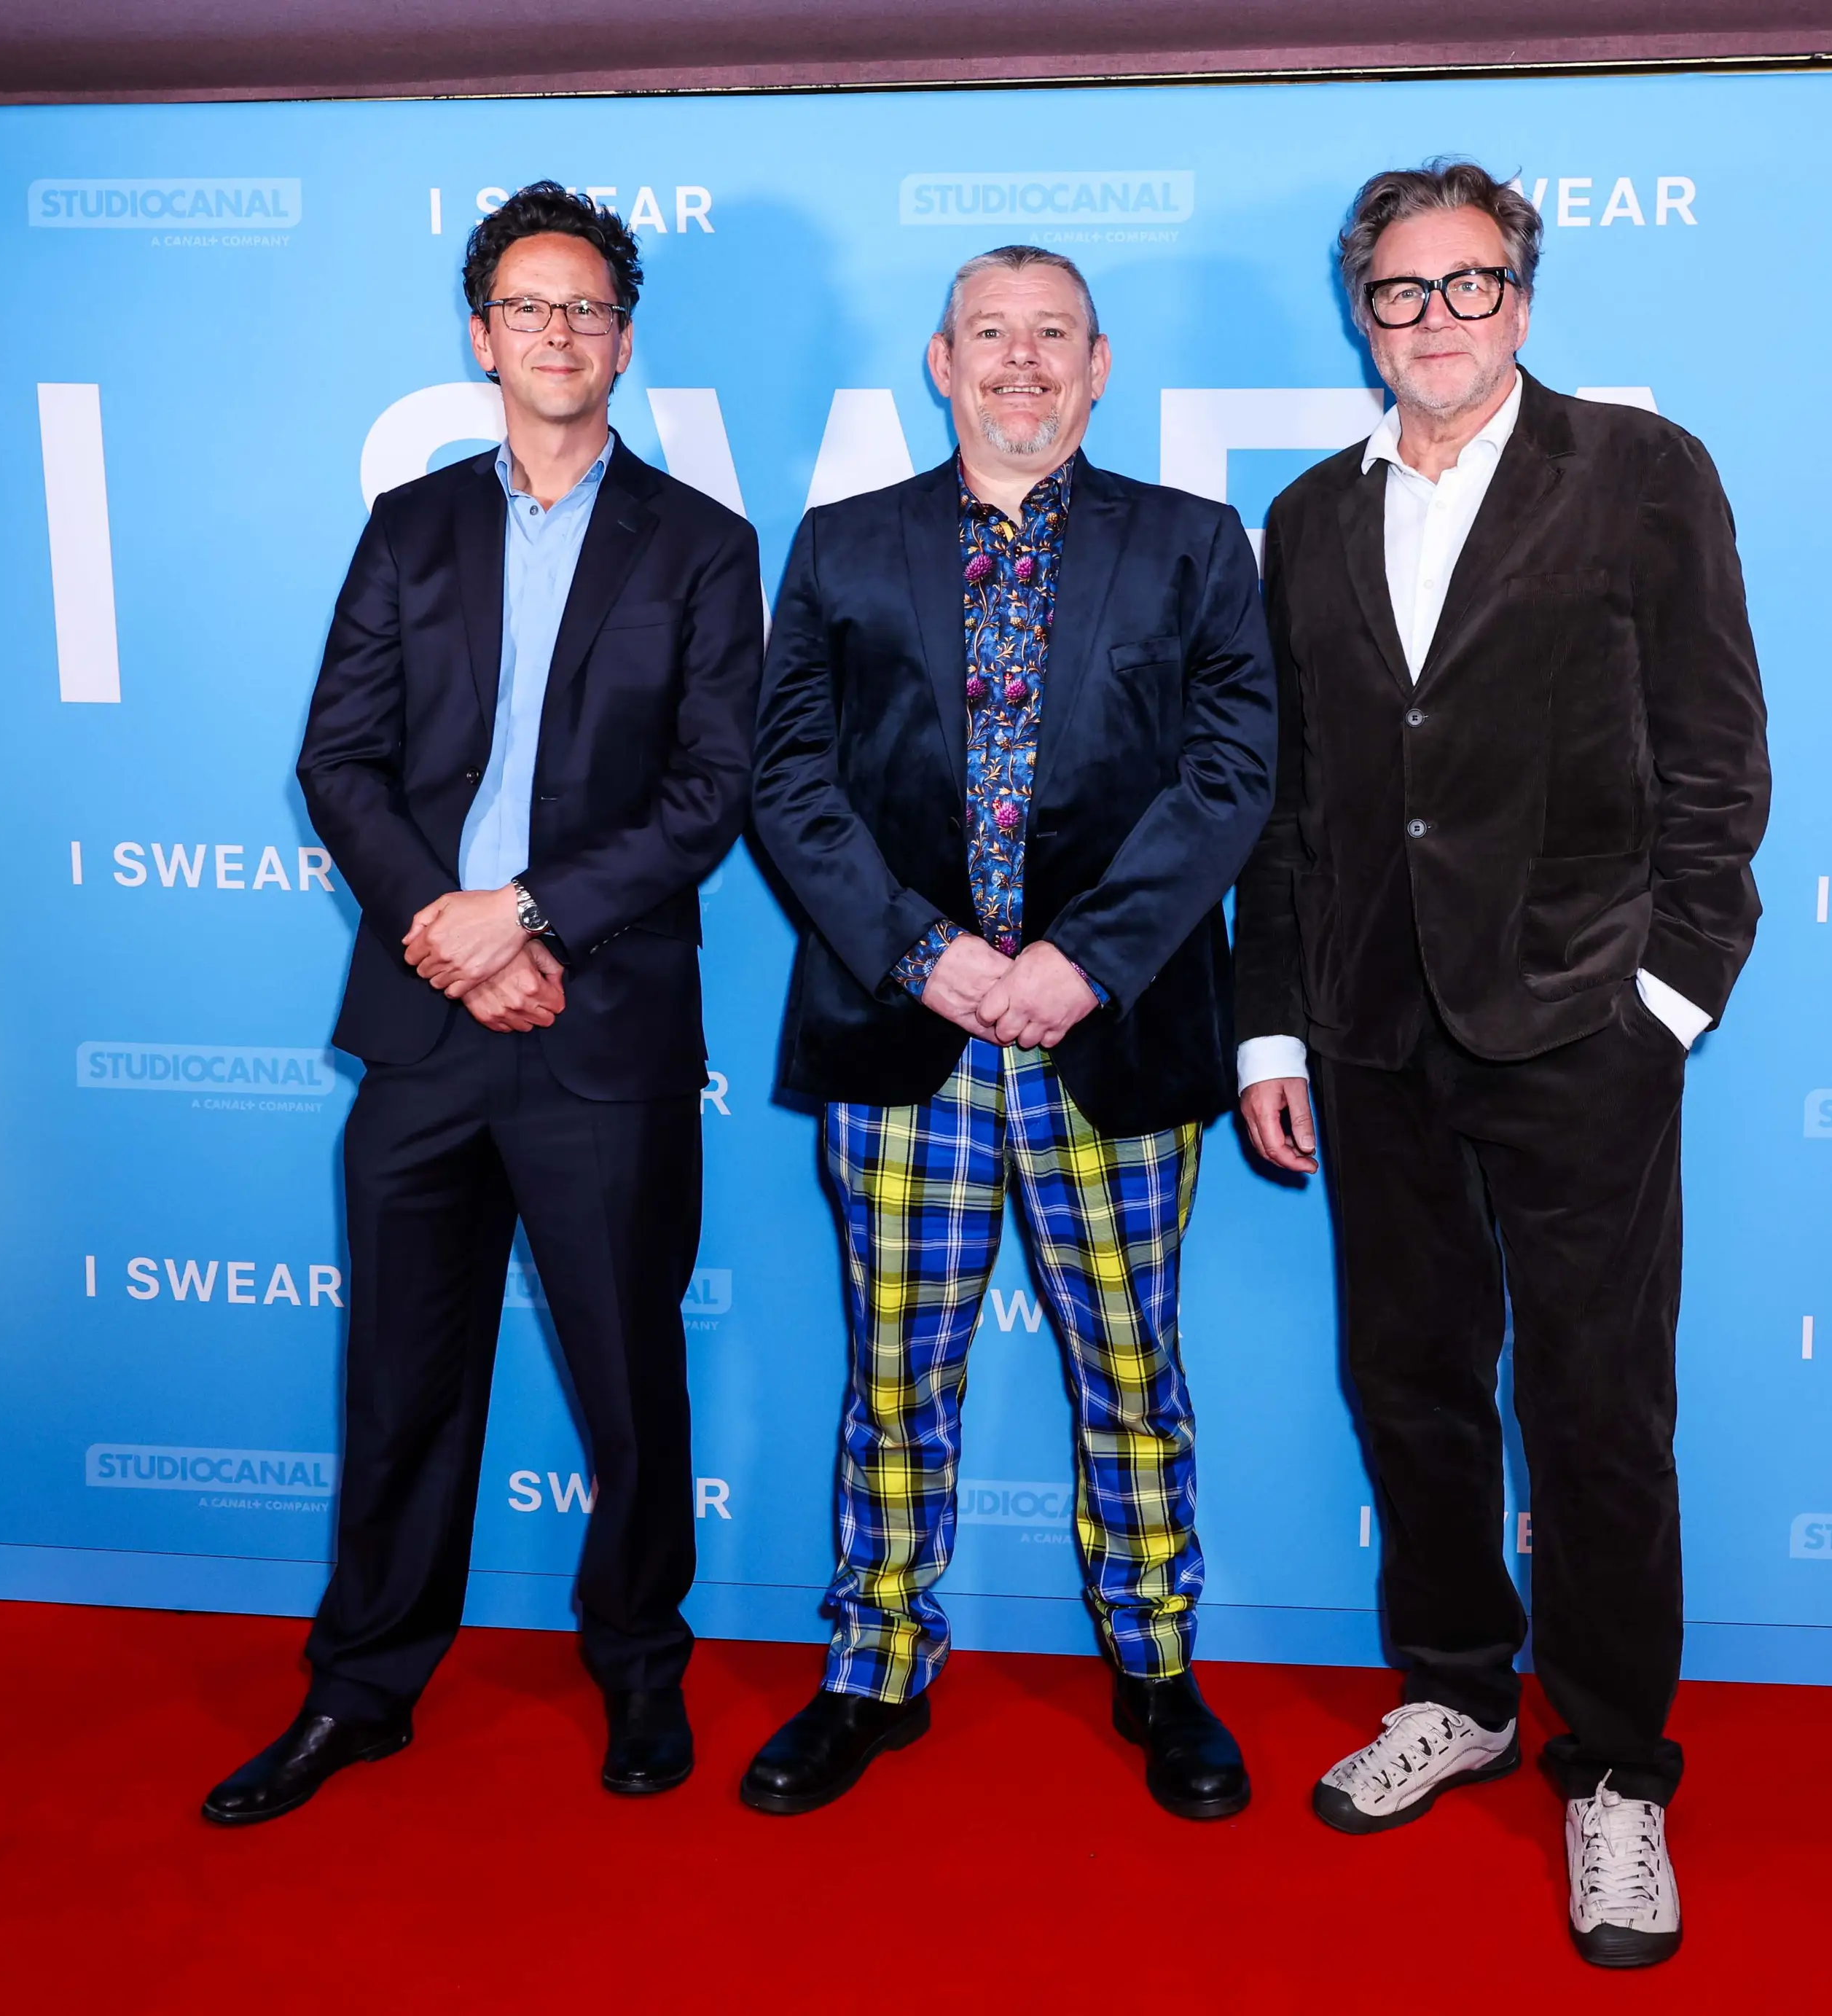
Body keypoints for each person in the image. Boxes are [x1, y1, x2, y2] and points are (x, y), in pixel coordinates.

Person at [1234, 162, 1769, 1965]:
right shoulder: (1308, 515)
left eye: (1470, 285)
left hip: (1580, 1029)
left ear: (1522, 303)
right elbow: (1291, 802)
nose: (1437, 318)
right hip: (1371, 1034)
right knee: (1413, 1386)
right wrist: (1272, 1019)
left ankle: (1615, 1770)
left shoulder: (1639, 473)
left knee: (1598, 1410)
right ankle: (1457, 1691)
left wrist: (1668, 1001)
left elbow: (1717, 758)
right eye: (1402, 291)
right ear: (1362, 315)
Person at [202, 183, 764, 1824]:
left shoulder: (703, 546)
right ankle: (361, 1688)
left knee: (629, 1383)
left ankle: (640, 1667)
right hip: (424, 1027)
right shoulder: (411, 528)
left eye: (587, 308)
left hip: (606, 1024)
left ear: (625, 341)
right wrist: (448, 935)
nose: (558, 332)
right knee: (402, 1381)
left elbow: (712, 789)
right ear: (482, 336)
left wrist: (524, 915)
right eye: (529, 306)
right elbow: (340, 760)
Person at [744, 244, 1276, 1820]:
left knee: (1132, 1368)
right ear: (942, 360)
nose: (1022, 359)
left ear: (1100, 367)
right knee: (895, 1374)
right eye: (991, 332)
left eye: (1054, 334)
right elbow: (790, 781)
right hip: (907, 1040)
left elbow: (1232, 777)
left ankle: (1158, 1665)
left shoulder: (1193, 547)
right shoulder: (842, 547)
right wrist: (925, 955)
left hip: (1110, 1038)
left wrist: (1082, 962)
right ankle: (874, 1669)